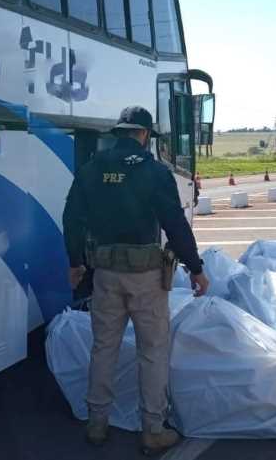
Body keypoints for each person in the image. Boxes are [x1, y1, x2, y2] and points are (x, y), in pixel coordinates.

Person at [63, 105, 209, 455]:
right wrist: (196, 268)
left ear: (120, 132)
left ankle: (97, 423)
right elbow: (175, 224)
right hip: (146, 277)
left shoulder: (92, 168)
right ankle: (153, 429)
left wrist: (75, 263)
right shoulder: (156, 172)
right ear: (144, 135)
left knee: (104, 348)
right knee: (152, 352)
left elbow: (71, 219)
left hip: (106, 275)